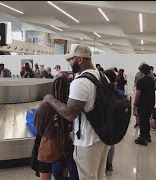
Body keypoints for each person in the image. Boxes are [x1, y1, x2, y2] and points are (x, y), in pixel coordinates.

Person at [43, 44, 110, 180]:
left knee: (88, 177)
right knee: (100, 175)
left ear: (79, 59)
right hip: (103, 136)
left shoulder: (81, 82)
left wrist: (50, 99)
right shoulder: (102, 76)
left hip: (87, 140)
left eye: (71, 59)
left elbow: (70, 114)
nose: (69, 62)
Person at [33, 76, 78, 180]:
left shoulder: (45, 107)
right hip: (65, 147)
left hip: (47, 149)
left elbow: (39, 129)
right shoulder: (70, 109)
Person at [134, 64, 155, 146]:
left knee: (142, 120)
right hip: (150, 103)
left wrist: (135, 103)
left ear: (142, 72)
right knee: (147, 119)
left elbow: (138, 94)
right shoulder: (152, 80)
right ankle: (147, 135)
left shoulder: (140, 81)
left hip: (142, 103)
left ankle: (142, 137)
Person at [103, 69, 117, 172]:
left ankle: (104, 164)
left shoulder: (103, 91)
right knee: (111, 144)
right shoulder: (116, 92)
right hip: (114, 122)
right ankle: (109, 164)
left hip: (104, 121)